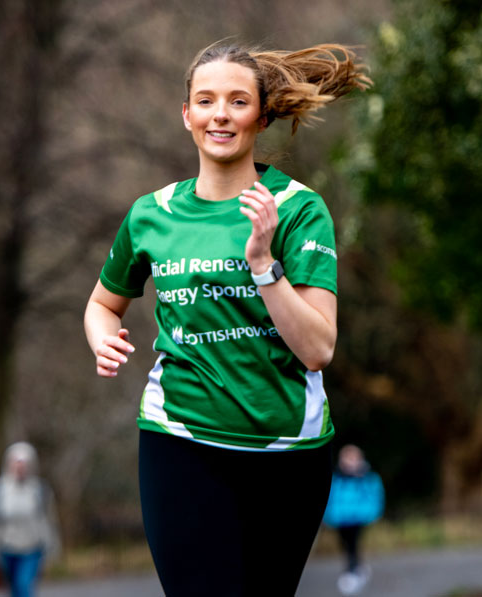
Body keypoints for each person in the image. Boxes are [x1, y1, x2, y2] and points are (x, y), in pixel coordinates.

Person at [83, 41, 371, 596]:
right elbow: (102, 304)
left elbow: (318, 349)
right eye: (206, 100)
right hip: (179, 438)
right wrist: (103, 340)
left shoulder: (297, 208)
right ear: (186, 114)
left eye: (238, 101)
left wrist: (263, 266)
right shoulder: (152, 214)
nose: (220, 114)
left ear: (261, 117)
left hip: (285, 451)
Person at [0, 442, 61, 597]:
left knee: (24, 585)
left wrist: (52, 549)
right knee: (14, 589)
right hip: (5, 548)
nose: (20, 467)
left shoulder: (40, 490)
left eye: (24, 463)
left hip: (32, 548)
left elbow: (50, 521)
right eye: (16, 462)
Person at [323, 444, 385, 596]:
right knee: (344, 544)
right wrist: (329, 516)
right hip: (340, 519)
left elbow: (375, 496)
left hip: (358, 518)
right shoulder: (336, 478)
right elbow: (331, 499)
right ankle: (356, 567)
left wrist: (372, 514)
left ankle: (352, 570)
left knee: (353, 544)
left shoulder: (367, 478)